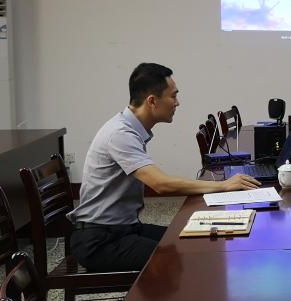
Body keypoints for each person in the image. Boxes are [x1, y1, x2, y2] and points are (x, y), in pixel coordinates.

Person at [69, 63, 261, 273]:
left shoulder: (129, 128)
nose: (177, 103)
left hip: (124, 229)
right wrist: (223, 186)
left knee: (192, 242)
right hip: (99, 241)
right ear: (152, 101)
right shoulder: (120, 135)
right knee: (176, 260)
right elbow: (161, 184)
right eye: (173, 96)